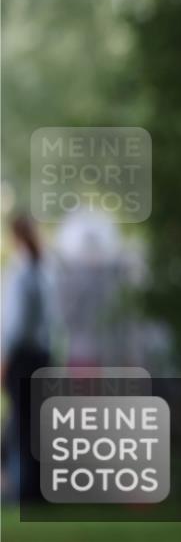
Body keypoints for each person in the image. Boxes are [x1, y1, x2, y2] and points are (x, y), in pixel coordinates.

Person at [1, 214, 60, 502]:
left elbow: (15, 324)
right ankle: (37, 491)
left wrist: (4, 359)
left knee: (21, 426)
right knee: (36, 426)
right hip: (42, 354)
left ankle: (23, 491)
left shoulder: (21, 271)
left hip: (23, 357)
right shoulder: (44, 270)